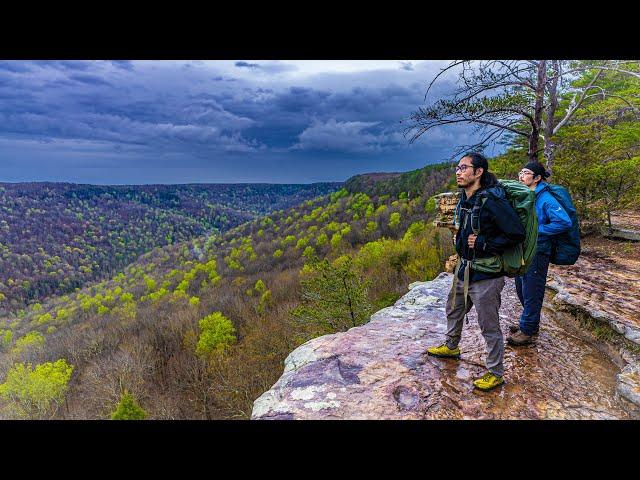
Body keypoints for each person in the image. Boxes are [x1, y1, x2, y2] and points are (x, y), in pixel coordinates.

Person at [426, 153, 526, 391]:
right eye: (457, 168)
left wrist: (484, 244)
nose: (458, 172)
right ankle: (451, 346)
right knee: (454, 309)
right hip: (464, 268)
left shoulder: (492, 200)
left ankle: (495, 372)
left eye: (464, 168)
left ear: (479, 172)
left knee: (488, 325)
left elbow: (516, 233)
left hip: (486, 275)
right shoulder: (465, 197)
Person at [507, 162, 572, 346]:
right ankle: (529, 322)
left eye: (526, 173)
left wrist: (536, 231)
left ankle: (527, 330)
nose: (521, 176)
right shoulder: (528, 195)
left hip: (538, 250)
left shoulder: (545, 199)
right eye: (520, 172)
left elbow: (563, 222)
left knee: (532, 291)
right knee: (521, 288)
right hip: (526, 250)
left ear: (537, 178)